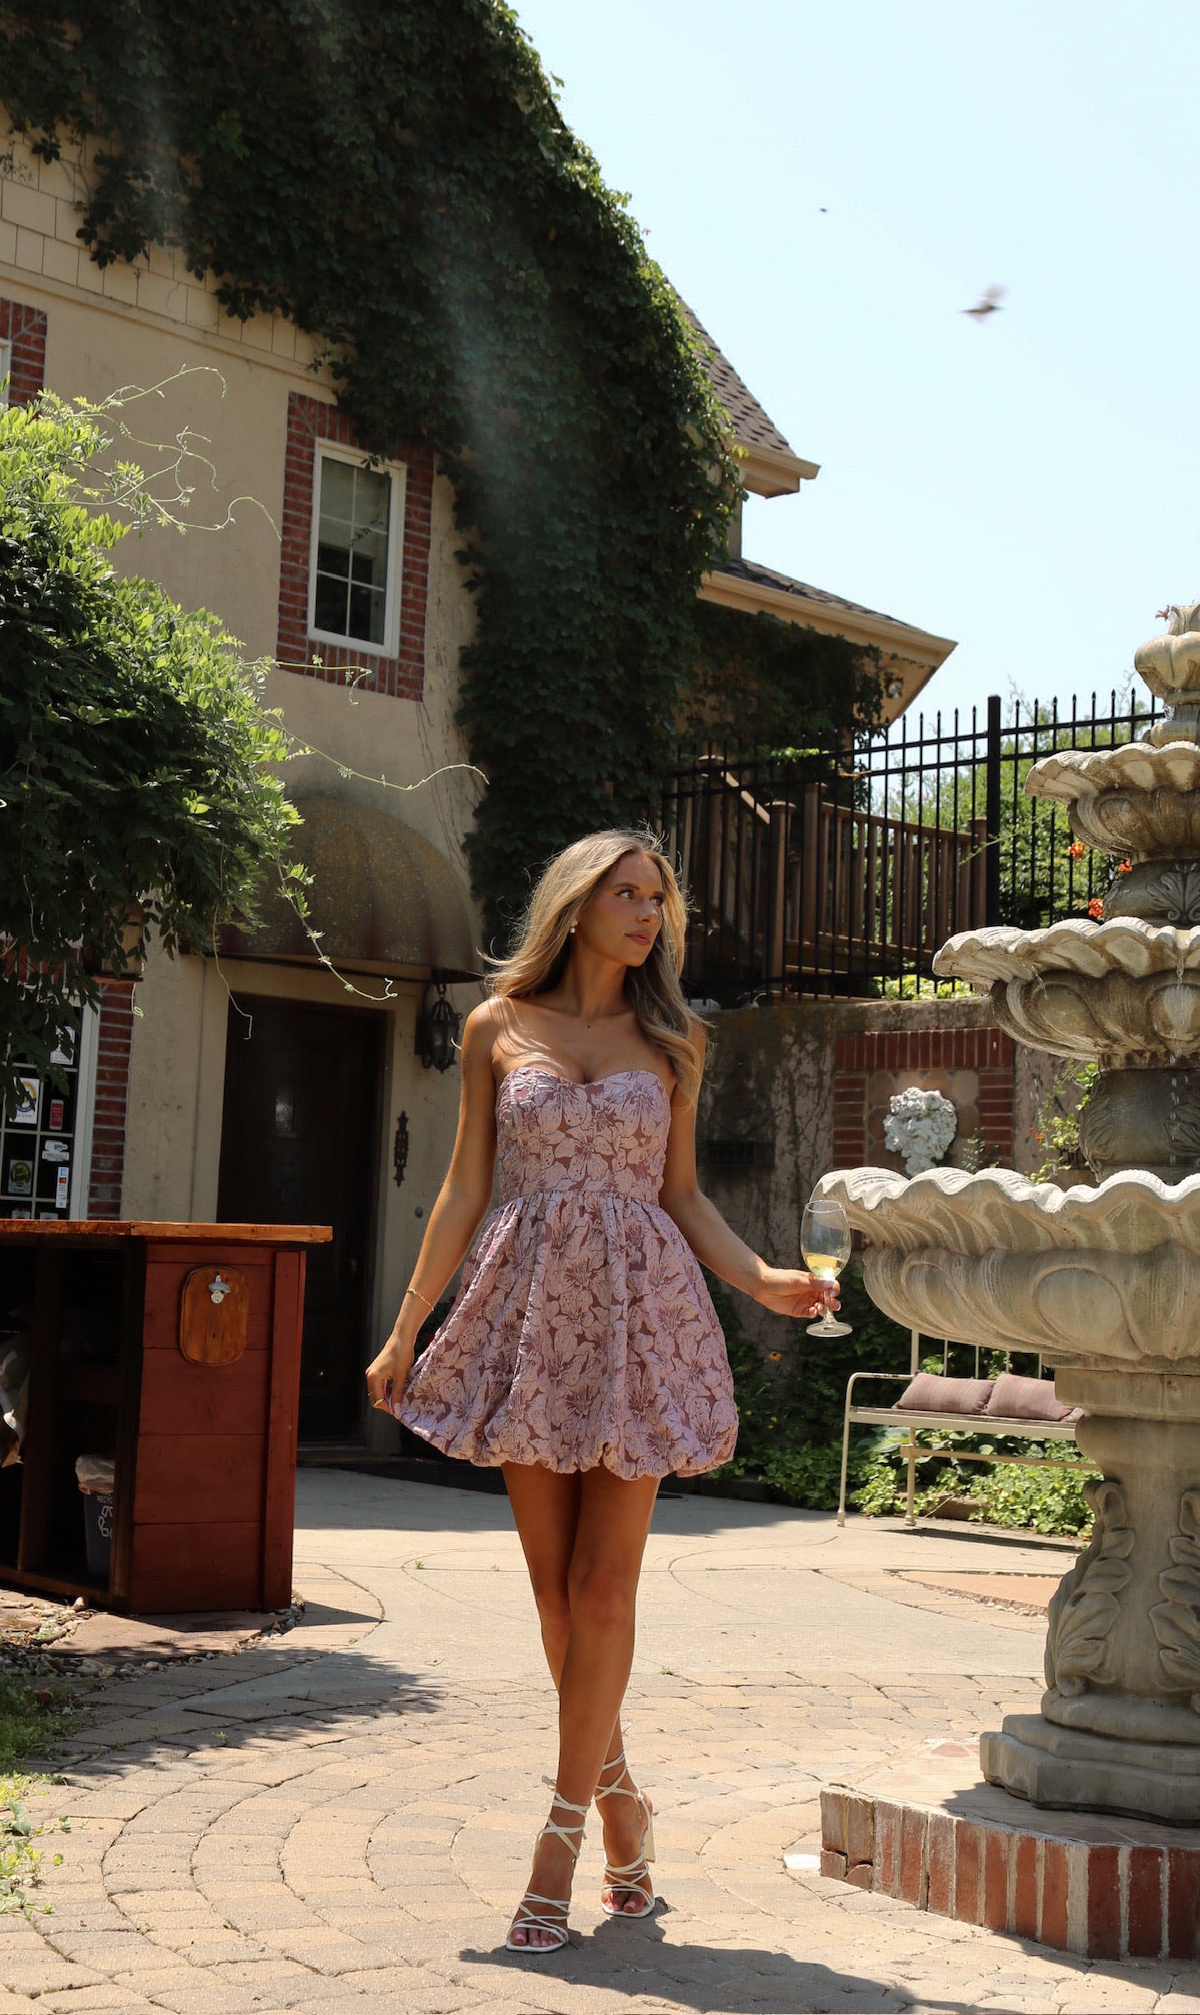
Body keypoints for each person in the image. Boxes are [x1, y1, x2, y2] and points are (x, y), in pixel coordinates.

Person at [364, 829, 833, 1955]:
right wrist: (406, 1326)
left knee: (606, 1588)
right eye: (626, 893)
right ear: (575, 905)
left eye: (657, 899)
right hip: (529, 1319)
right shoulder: (495, 1027)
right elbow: (465, 1186)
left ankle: (562, 1838)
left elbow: (681, 1194)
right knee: (557, 1605)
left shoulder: (674, 1039)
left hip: (637, 1319)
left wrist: (765, 1277)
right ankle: (627, 1802)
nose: (645, 914)